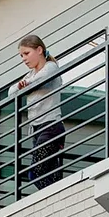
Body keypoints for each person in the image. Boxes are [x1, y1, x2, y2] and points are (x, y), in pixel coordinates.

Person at [15, 35, 64, 190]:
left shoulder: (50, 67)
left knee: (35, 173)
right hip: (36, 130)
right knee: (50, 175)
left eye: (26, 53)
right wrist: (23, 85)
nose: (23, 59)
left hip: (50, 126)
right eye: (21, 56)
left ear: (39, 50)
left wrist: (26, 85)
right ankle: (57, 200)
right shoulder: (29, 76)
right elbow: (11, 91)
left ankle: (55, 199)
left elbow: (42, 79)